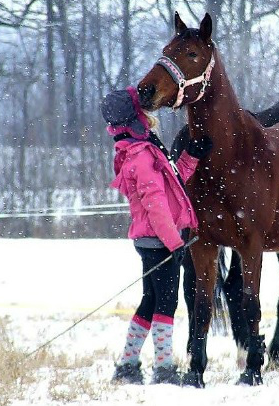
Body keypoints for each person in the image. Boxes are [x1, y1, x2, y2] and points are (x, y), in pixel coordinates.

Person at [100, 86, 212, 385]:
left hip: (153, 240)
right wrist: (175, 244)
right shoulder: (140, 157)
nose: (150, 114)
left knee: (150, 302)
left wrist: (192, 157)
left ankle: (127, 365)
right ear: (136, 118)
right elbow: (157, 207)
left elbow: (173, 184)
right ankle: (163, 370)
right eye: (144, 110)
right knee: (165, 304)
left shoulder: (143, 149)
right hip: (159, 241)